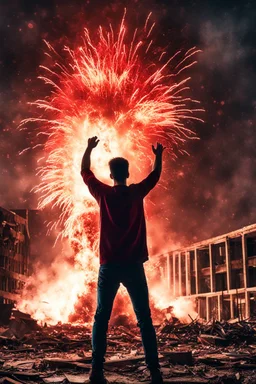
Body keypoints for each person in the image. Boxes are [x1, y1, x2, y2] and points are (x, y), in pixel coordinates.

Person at [81, 136, 165, 384]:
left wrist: (88, 148)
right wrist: (158, 155)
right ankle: (155, 372)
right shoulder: (137, 192)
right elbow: (155, 175)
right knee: (144, 319)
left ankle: (96, 371)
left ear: (110, 174)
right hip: (133, 266)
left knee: (101, 318)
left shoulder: (104, 194)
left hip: (109, 266)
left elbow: (85, 171)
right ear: (128, 173)